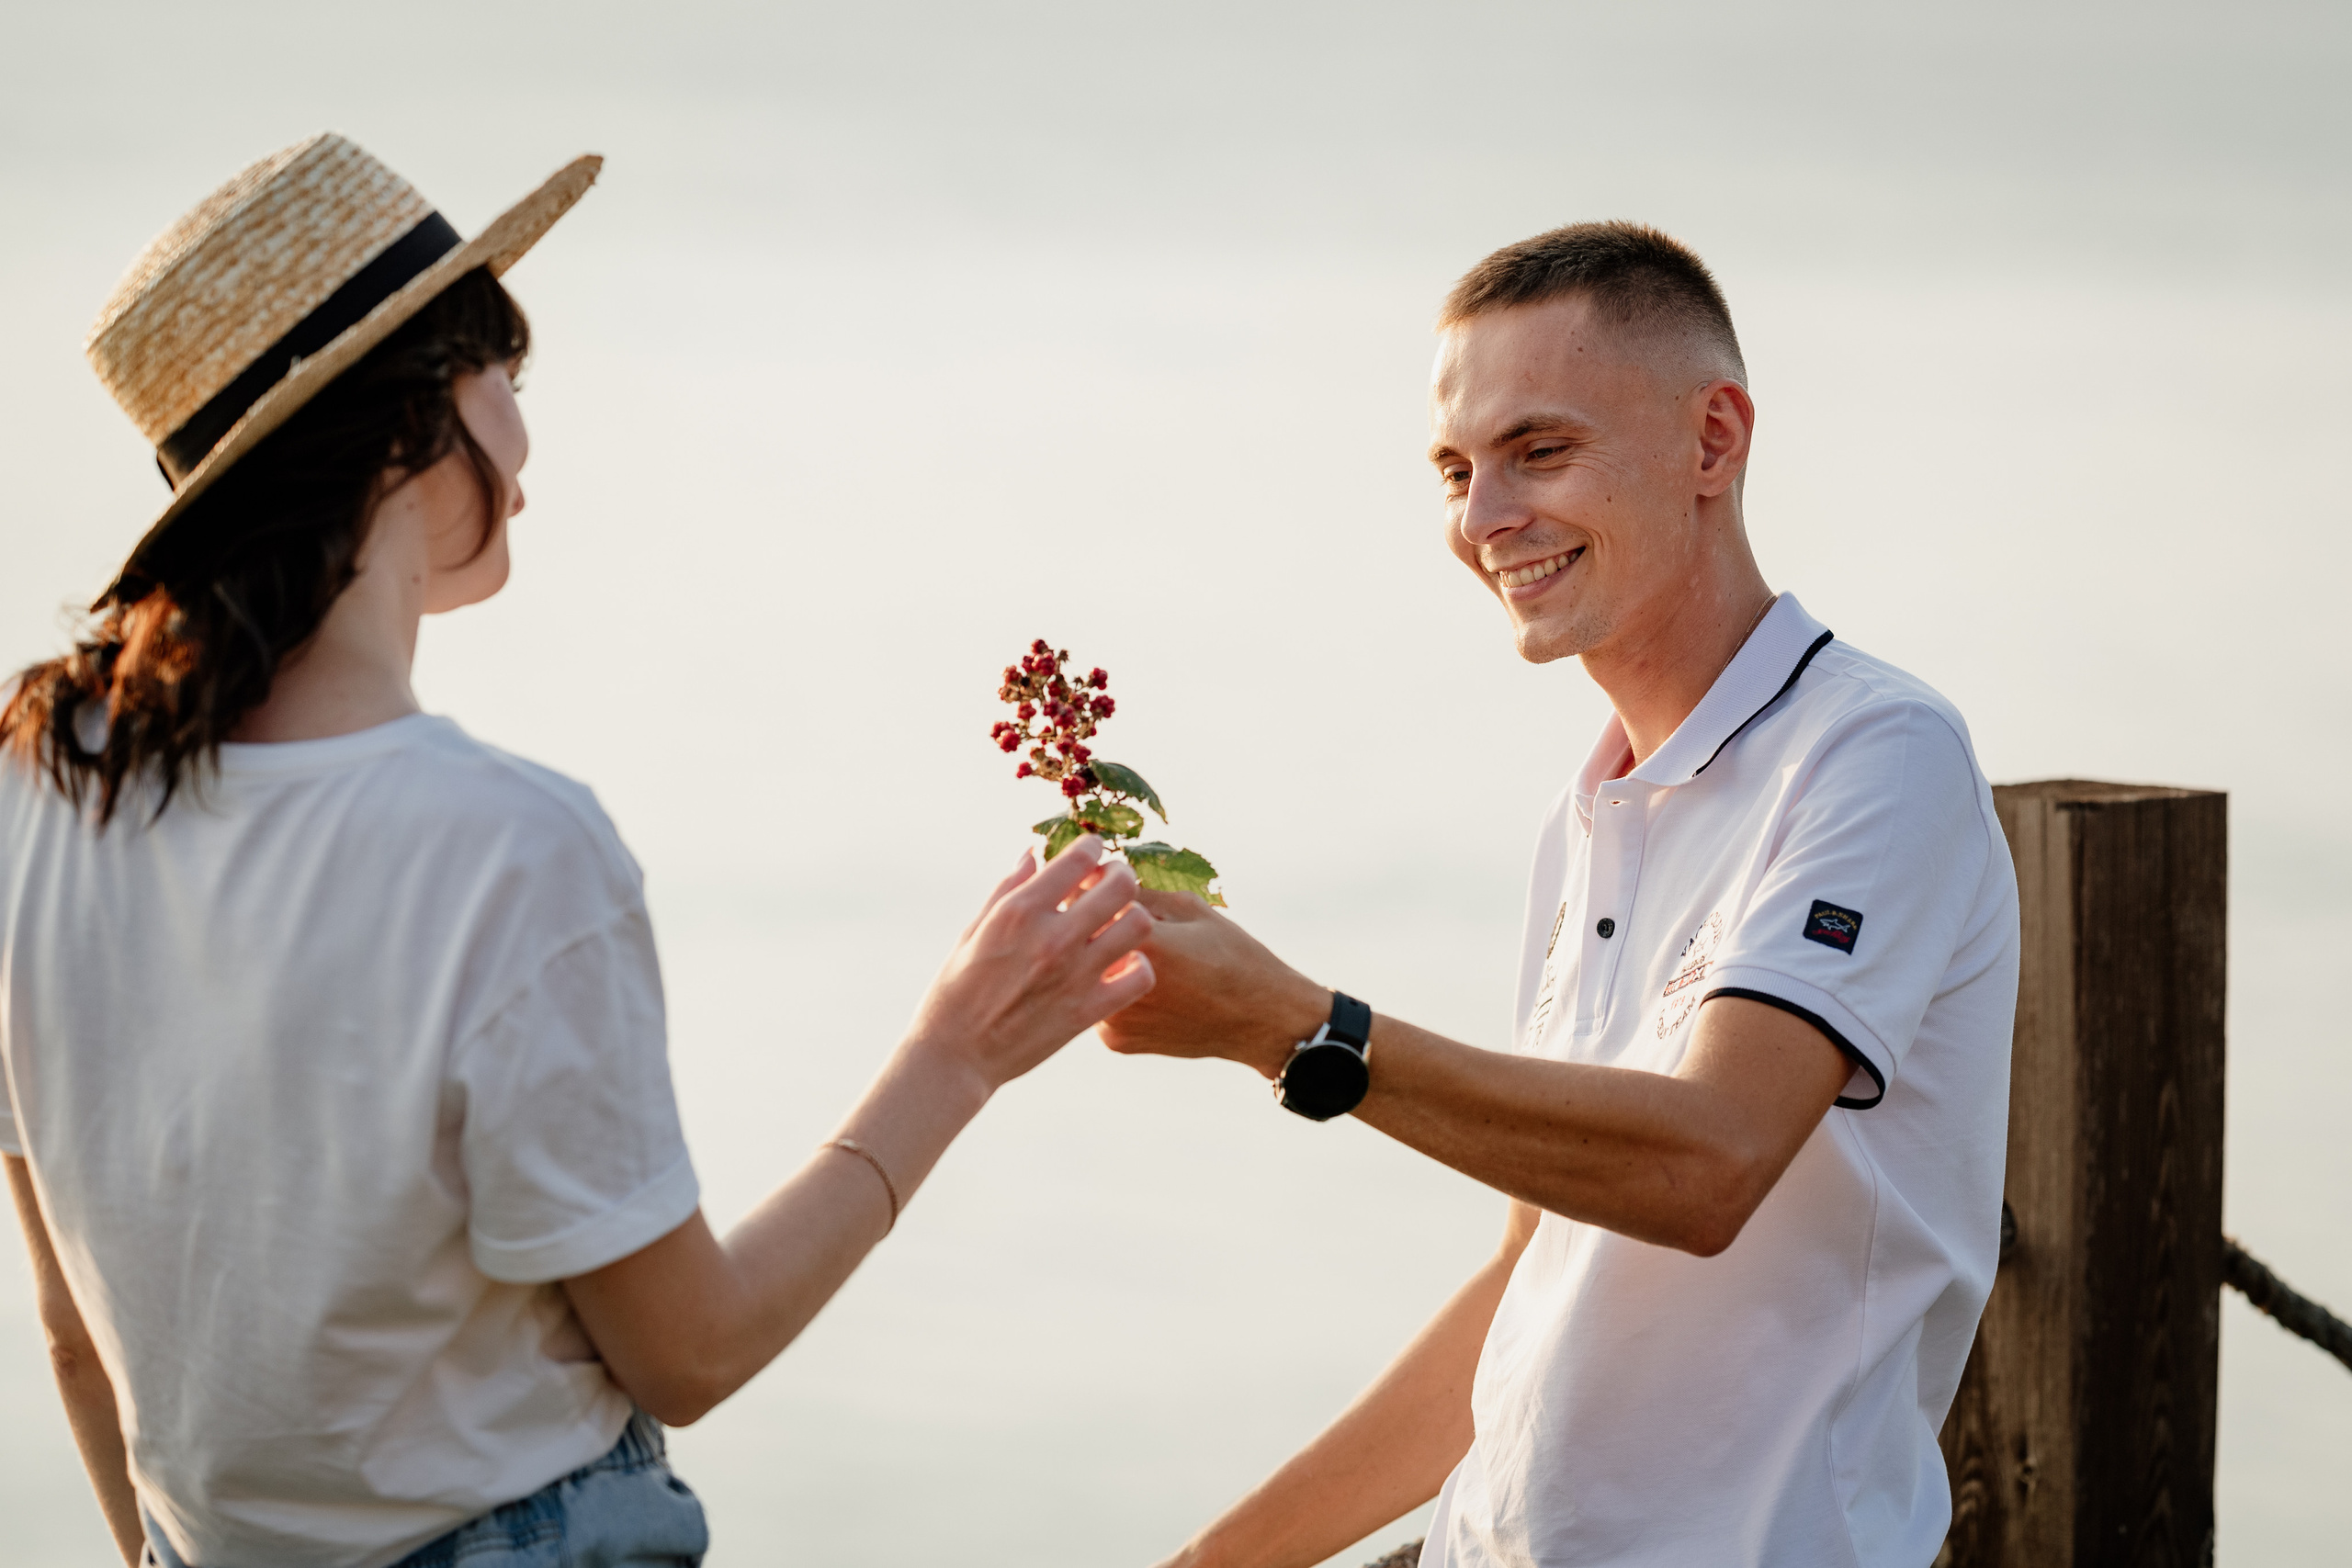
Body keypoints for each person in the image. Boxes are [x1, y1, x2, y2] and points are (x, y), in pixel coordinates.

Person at [0, 134, 1152, 1568]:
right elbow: (690, 1353)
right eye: (507, 382)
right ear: (415, 420)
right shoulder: (500, 843)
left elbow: (73, 1338)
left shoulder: (36, 792)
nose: (527, 440)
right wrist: (954, 1054)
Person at [1100, 222, 2020, 1567]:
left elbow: (1705, 1163)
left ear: (1714, 443)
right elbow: (1531, 1289)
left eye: (1541, 452)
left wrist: (1294, 1028)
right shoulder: (1581, 819)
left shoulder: (1879, 756)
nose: (1482, 521)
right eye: (1456, 471)